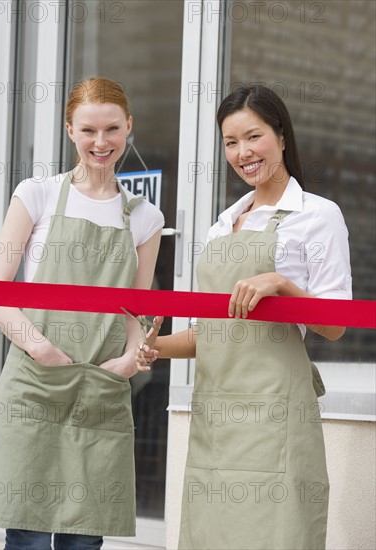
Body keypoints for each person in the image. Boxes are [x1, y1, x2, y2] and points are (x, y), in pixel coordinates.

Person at [136, 85, 352, 550]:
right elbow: (211, 332)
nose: (242, 153)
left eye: (253, 137)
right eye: (230, 142)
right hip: (217, 417)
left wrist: (281, 284)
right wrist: (149, 345)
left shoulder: (317, 216)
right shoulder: (221, 225)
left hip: (276, 415)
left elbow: (335, 324)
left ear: (281, 136)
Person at [0, 77, 164, 550]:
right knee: (24, 532)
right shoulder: (37, 194)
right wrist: (39, 347)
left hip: (101, 384)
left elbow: (136, 311)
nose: (100, 143)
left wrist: (130, 360)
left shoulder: (146, 218)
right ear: (69, 130)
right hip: (36, 380)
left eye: (111, 129)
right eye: (88, 130)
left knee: (82, 539)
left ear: (129, 126)